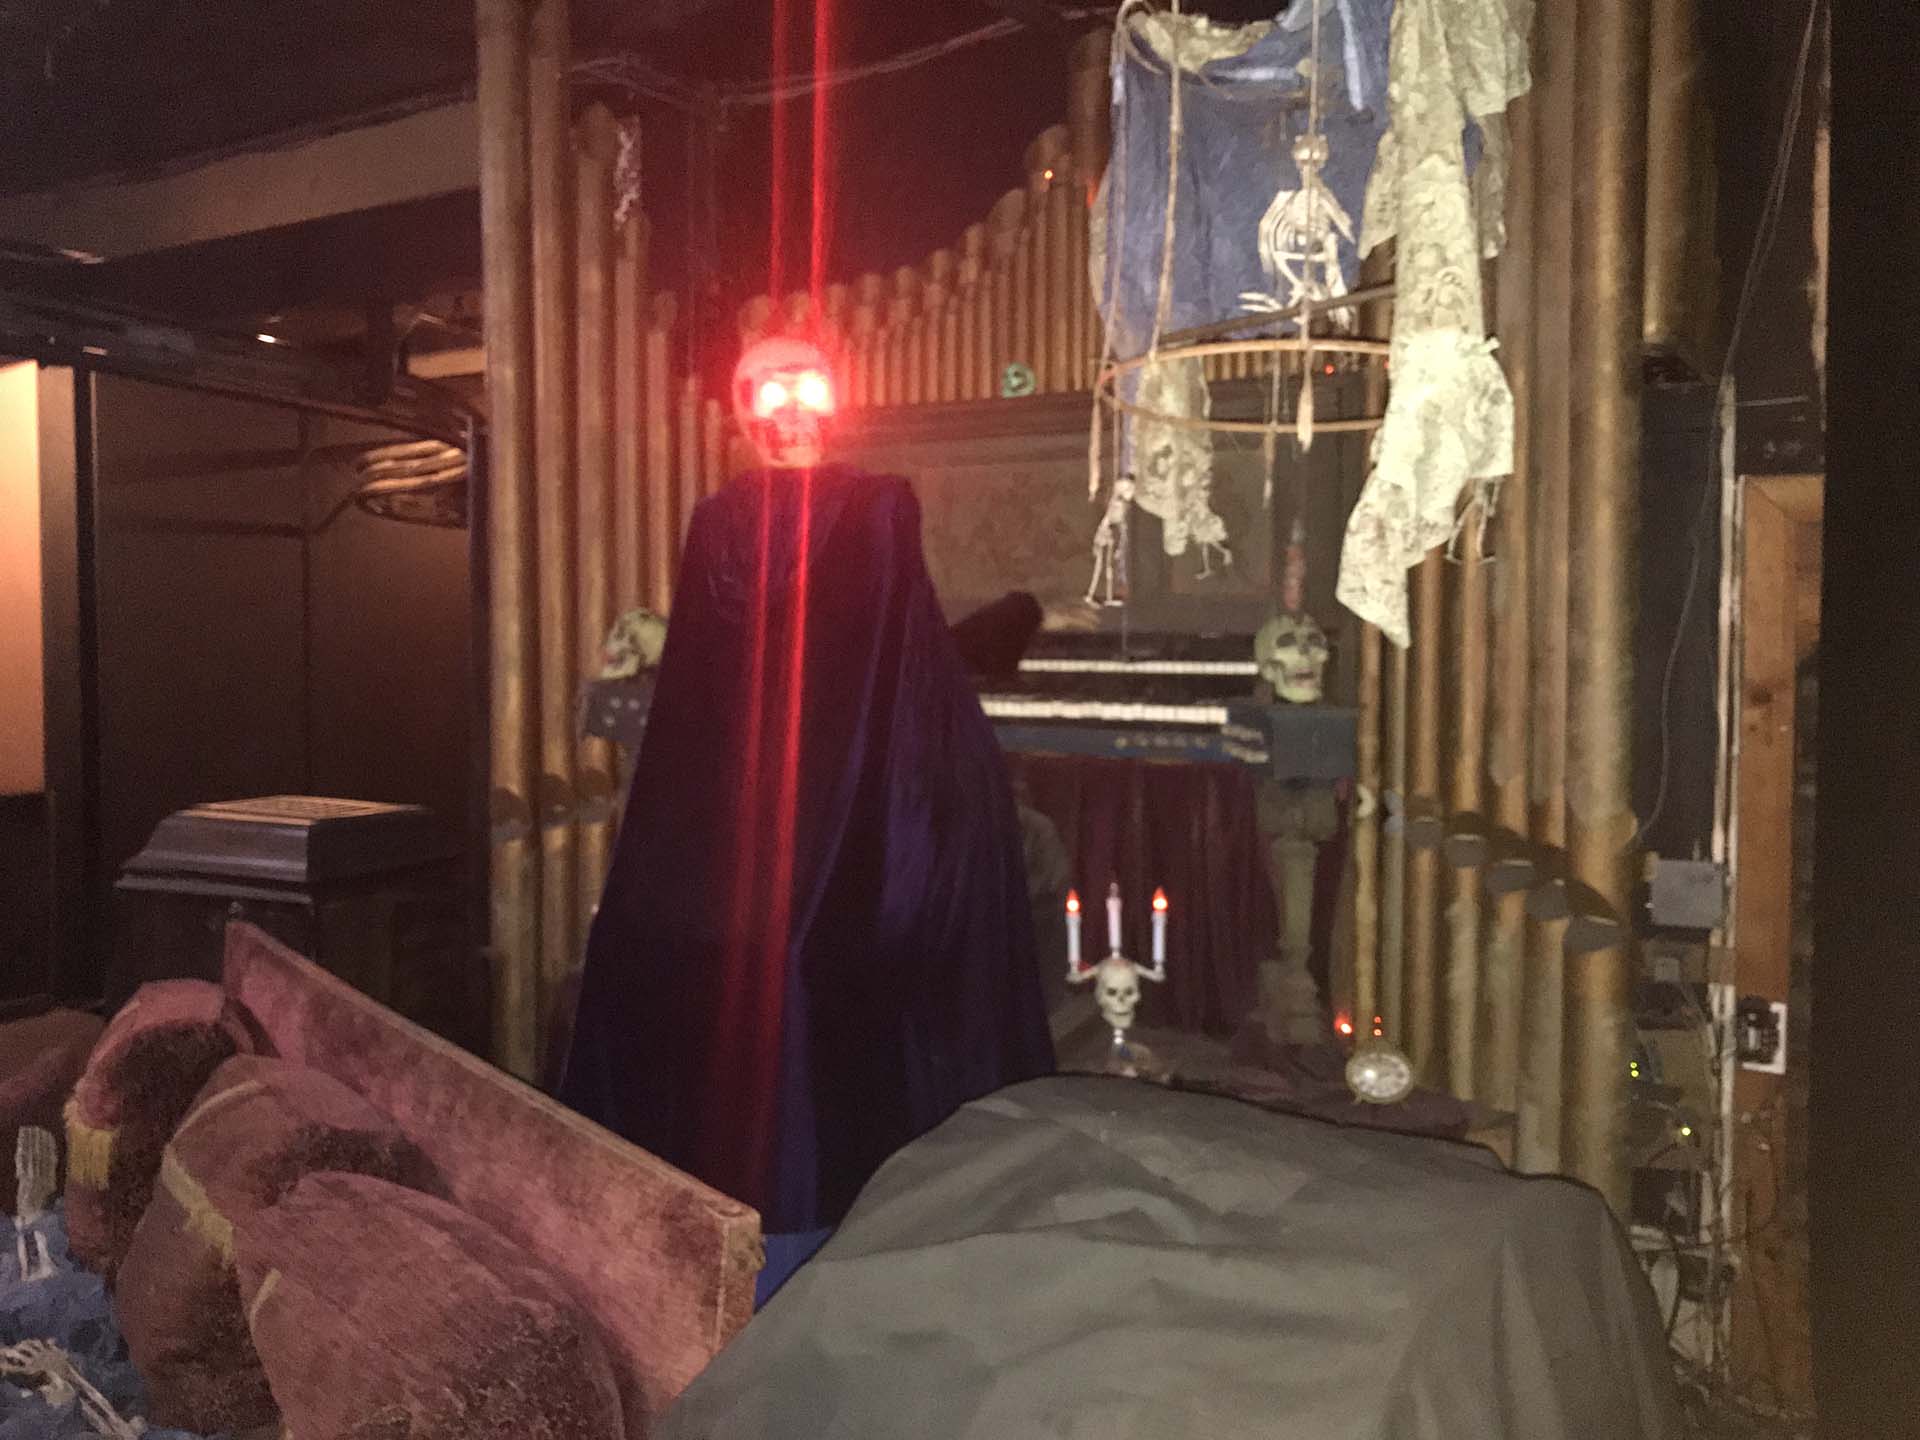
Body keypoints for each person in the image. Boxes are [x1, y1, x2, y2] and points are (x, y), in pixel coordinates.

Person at [556, 338, 1054, 1280]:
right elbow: (708, 687)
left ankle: (830, 1225)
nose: (791, 417)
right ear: (746, 414)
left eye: (808, 397)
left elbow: (876, 670)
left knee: (816, 953)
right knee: (667, 947)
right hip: (741, 808)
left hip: (854, 809)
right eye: (771, 399)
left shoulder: (877, 503)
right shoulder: (719, 518)